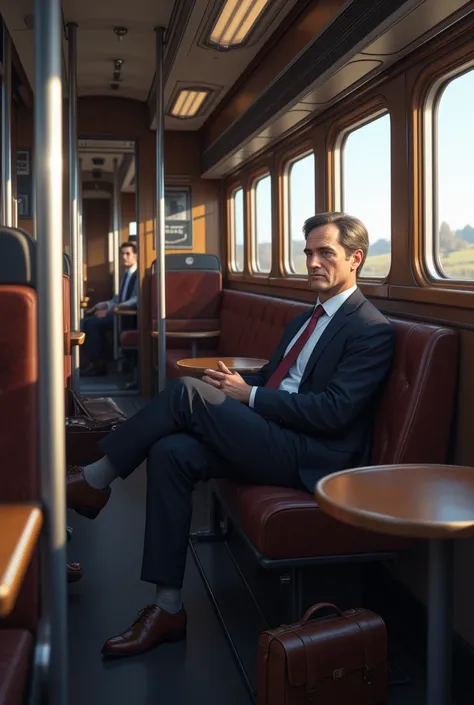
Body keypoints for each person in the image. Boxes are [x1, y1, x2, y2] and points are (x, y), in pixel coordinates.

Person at [67, 212, 395, 658]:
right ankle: (168, 608)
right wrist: (234, 384)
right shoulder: (305, 320)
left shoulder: (371, 330)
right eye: (308, 253)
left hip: (313, 456)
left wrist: (250, 396)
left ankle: (94, 480)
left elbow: (335, 412)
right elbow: (277, 375)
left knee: (185, 392)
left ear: (355, 259)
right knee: (171, 450)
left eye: (325, 253)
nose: (312, 262)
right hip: (274, 433)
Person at [81, 241, 138, 377]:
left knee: (91, 324)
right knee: (87, 320)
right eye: (122, 254)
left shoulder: (138, 275)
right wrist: (104, 304)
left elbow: (136, 299)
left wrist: (112, 309)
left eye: (128, 254)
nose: (124, 257)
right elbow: (118, 298)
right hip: (119, 313)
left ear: (136, 255)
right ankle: (98, 361)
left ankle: (98, 365)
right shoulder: (126, 274)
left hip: (129, 317)